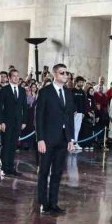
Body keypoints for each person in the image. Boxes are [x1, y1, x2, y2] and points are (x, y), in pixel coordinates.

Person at [34, 63, 75, 215]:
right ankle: (43, 203)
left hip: (63, 139)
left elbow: (69, 117)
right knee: (44, 172)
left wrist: (71, 139)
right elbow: (38, 117)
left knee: (57, 172)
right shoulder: (45, 92)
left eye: (67, 72)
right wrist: (40, 139)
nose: (66, 75)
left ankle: (54, 203)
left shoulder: (68, 93)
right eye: (62, 73)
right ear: (55, 75)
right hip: (47, 139)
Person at [0, 68, 27, 176]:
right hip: (6, 122)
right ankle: (4, 167)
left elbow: (24, 107)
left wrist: (24, 121)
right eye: (14, 76)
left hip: (18, 122)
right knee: (6, 144)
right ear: (9, 78)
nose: (16, 78)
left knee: (13, 145)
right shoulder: (4, 90)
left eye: (18, 76)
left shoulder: (22, 90)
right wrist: (1, 122)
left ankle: (11, 166)